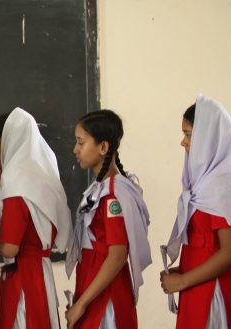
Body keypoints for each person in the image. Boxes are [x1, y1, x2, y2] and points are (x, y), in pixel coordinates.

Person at [160, 95, 231, 328]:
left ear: (209, 138)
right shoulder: (202, 183)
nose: (183, 142)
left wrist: (183, 280)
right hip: (198, 286)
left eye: (189, 135)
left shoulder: (221, 185)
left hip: (217, 292)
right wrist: (183, 271)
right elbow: (207, 245)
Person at [0, 107, 71, 329]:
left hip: (23, 282)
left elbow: (10, 248)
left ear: (7, 141)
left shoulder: (16, 181)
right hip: (40, 274)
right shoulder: (37, 175)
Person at [65, 110, 151, 329]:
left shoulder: (112, 195)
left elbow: (117, 255)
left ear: (103, 147)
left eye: (81, 143)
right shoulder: (99, 189)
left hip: (107, 300)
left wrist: (81, 305)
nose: (75, 149)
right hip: (94, 294)